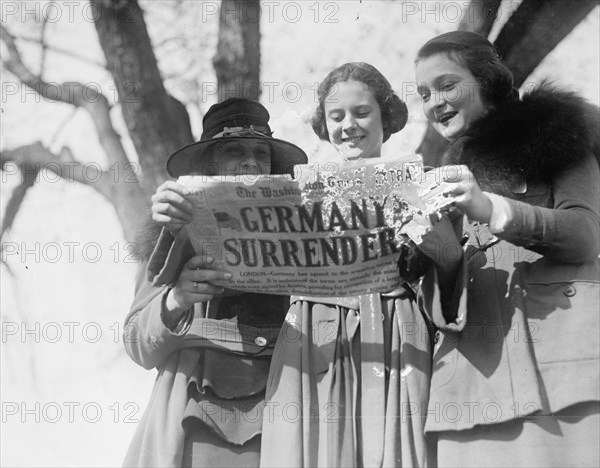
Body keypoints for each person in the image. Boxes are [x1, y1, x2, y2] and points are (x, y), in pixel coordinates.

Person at [259, 62, 460, 468]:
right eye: (337, 117)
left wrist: (438, 245)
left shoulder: (421, 183)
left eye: (361, 113)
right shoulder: (301, 193)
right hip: (312, 328)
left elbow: (448, 272)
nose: (348, 125)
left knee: (387, 445)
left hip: (391, 327)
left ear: (385, 117)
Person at [414, 31, 600, 467]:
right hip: (475, 388)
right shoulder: (443, 176)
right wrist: (443, 259)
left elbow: (585, 234)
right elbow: (444, 303)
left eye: (447, 85)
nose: (434, 102)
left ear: (487, 80)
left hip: (565, 371)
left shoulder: (559, 134)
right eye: (424, 93)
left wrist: (491, 207)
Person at [122, 98, 308, 468]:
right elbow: (137, 343)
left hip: (287, 398)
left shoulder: (302, 228)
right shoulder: (173, 225)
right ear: (209, 162)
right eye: (233, 151)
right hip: (198, 406)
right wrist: (176, 300)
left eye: (261, 152)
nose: (250, 162)